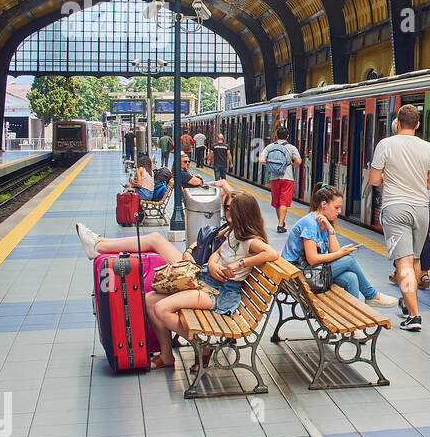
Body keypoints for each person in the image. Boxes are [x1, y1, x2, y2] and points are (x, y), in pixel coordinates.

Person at [74, 192, 279, 372]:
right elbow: (217, 252)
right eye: (226, 209)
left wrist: (239, 264)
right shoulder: (234, 232)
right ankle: (166, 356)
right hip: (207, 281)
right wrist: (214, 262)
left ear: (243, 214)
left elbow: (271, 253)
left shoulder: (251, 241)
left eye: (230, 210)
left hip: (220, 294)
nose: (226, 214)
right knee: (150, 300)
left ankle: (201, 346)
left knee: (162, 308)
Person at [369, 104, 430, 332]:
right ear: (418, 125)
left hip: (395, 207)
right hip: (421, 209)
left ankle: (414, 315)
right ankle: (409, 301)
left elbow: (373, 179)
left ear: (398, 122)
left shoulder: (386, 145)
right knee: (416, 260)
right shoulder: (428, 148)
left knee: (403, 262)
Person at [283, 185, 397, 307]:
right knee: (349, 260)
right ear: (324, 205)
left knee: (351, 277)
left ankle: (354, 319)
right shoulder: (310, 223)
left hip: (309, 272)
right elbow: (313, 259)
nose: (339, 212)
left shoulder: (324, 223)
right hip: (297, 275)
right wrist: (341, 253)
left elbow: (335, 252)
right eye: (336, 207)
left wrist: (331, 229)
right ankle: (372, 295)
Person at [259, 126, 302, 234]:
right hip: (287, 177)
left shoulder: (270, 146)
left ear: (277, 136)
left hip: (274, 177)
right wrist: (292, 165)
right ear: (287, 136)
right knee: (284, 201)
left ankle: (280, 222)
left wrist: (271, 165)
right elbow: (299, 161)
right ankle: (280, 224)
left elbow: (261, 160)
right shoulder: (291, 147)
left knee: (277, 201)